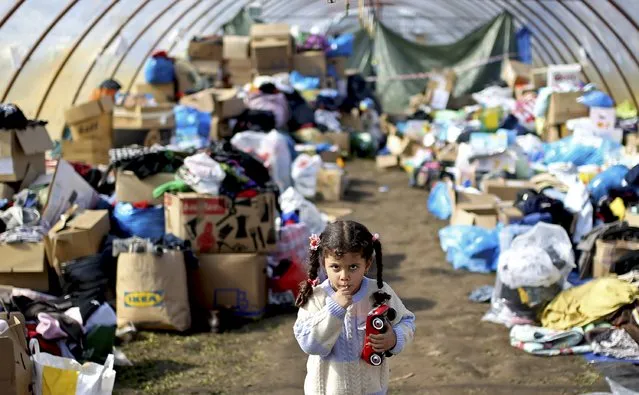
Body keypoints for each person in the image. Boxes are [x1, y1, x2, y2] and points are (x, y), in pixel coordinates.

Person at [293, 220, 415, 395]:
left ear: (367, 263)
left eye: (353, 267)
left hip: (372, 390)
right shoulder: (317, 298)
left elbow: (407, 321)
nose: (344, 276)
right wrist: (334, 309)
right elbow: (309, 345)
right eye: (335, 267)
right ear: (323, 263)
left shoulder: (379, 292)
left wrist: (394, 338)